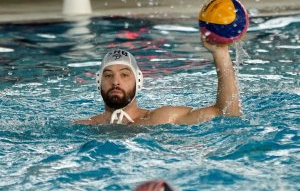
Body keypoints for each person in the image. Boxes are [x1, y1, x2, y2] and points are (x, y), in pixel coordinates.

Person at [74, 37, 241, 125]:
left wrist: (220, 53)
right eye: (108, 75)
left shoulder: (161, 118)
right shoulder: (83, 126)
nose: (115, 81)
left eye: (125, 75)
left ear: (138, 81)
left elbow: (227, 115)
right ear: (98, 82)